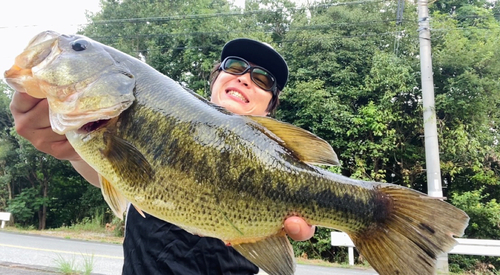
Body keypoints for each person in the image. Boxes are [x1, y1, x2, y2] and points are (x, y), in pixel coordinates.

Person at [10, 38, 315, 274]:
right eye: (234, 66)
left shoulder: (283, 165)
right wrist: (69, 145)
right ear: (214, 80)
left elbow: (296, 228)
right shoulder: (145, 124)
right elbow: (106, 168)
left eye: (262, 79)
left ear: (271, 108)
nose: (245, 78)